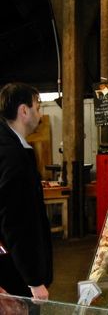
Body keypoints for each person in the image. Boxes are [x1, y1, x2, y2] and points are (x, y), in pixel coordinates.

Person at [0, 82, 53, 300]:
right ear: (24, 111)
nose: (39, 114)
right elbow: (16, 222)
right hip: (15, 274)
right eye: (38, 108)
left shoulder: (9, 145)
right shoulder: (13, 156)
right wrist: (33, 280)